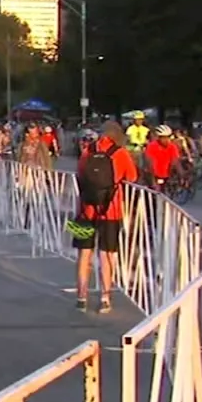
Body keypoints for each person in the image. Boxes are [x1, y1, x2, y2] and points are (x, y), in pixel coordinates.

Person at [72, 121, 136, 313]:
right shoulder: (121, 153)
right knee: (107, 254)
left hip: (84, 209)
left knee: (84, 254)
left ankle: (81, 296)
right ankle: (105, 298)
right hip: (111, 210)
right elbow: (132, 177)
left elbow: (80, 174)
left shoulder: (88, 150)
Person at [144, 125, 181, 191]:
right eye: (164, 138)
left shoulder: (172, 146)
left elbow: (175, 162)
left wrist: (180, 175)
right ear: (159, 137)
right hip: (154, 175)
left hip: (167, 175)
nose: (166, 140)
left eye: (168, 137)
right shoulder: (152, 146)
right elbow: (149, 164)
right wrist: (153, 181)